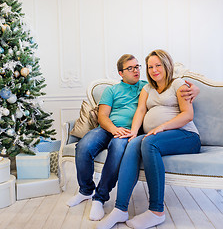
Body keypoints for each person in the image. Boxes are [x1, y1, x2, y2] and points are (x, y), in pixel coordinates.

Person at [67, 53, 199, 222]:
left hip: (132, 132)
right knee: (83, 146)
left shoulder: (146, 86)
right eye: (130, 68)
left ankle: (100, 198)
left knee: (118, 149)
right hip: (109, 128)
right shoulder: (113, 90)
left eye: (137, 67)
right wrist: (115, 129)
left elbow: (175, 90)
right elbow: (104, 116)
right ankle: (86, 191)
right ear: (121, 73)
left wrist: (196, 89)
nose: (136, 71)